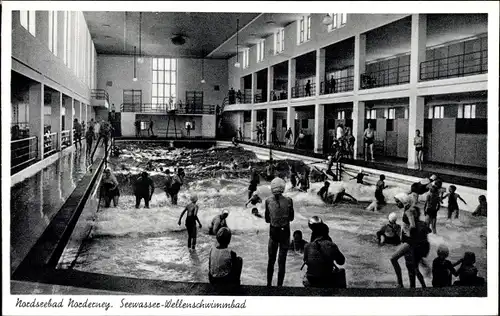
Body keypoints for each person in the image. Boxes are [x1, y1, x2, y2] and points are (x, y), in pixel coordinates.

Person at [390, 193, 428, 288]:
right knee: (411, 267)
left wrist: (408, 234)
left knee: (393, 259)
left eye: (398, 202)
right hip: (410, 241)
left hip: (409, 242)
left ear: (403, 200)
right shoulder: (408, 209)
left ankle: (400, 283)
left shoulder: (408, 211)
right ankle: (412, 287)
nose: (396, 204)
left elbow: (413, 225)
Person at [265, 177, 295, 287]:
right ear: (283, 188)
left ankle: (268, 284)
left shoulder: (268, 201)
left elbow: (267, 219)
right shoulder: (289, 200)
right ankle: (280, 286)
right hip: (285, 233)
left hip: (273, 233)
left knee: (271, 261)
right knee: (282, 262)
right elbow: (291, 218)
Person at [303, 216, 346, 288]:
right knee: (341, 271)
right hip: (326, 277)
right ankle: (342, 295)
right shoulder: (331, 245)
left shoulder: (307, 246)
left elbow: (306, 261)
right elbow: (341, 262)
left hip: (311, 277)